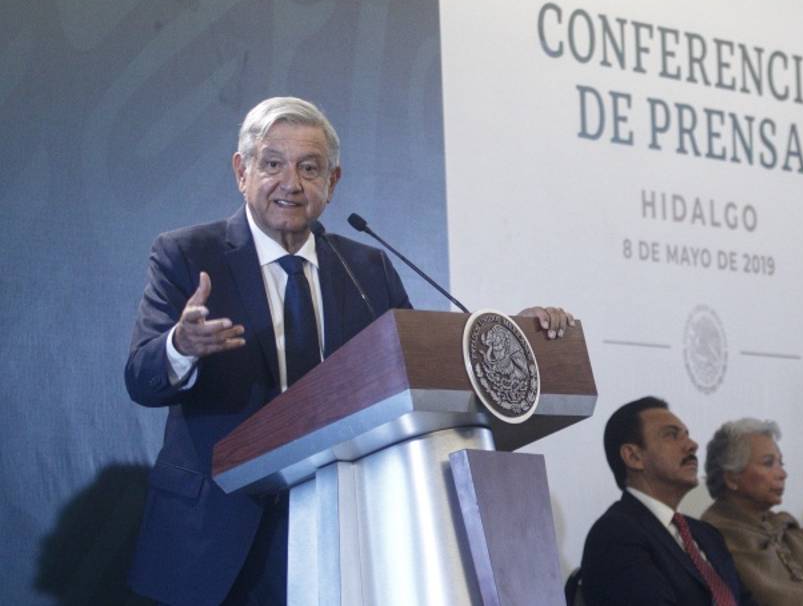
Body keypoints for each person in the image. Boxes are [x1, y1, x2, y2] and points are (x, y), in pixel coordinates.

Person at [124, 96, 574, 606]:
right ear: (241, 171)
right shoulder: (187, 254)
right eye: (272, 164)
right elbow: (141, 376)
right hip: (214, 533)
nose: (291, 183)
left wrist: (516, 338)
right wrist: (180, 347)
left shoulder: (367, 268)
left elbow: (423, 365)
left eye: (309, 168)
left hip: (342, 527)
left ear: (332, 182)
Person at [579, 397, 757, 606]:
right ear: (633, 456)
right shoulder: (615, 535)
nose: (692, 445)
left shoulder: (708, 535)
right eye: (671, 435)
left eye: (687, 435)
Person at [701, 418, 803, 606]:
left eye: (781, 464)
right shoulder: (713, 537)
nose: (782, 474)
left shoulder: (787, 527)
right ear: (732, 478)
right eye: (768, 463)